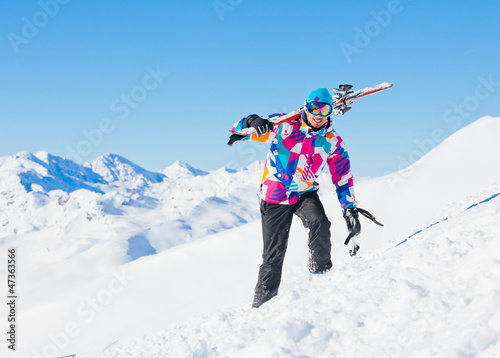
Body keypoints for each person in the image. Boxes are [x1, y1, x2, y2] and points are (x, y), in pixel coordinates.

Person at [231, 88, 361, 308]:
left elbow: (343, 177)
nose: (318, 114)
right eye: (314, 108)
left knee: (320, 222)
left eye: (325, 109)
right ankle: (262, 306)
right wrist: (253, 120)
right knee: (274, 255)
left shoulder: (332, 141)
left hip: (304, 192)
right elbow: (240, 128)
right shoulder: (283, 127)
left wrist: (349, 208)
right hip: (275, 196)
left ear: (331, 112)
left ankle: (320, 275)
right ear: (306, 106)